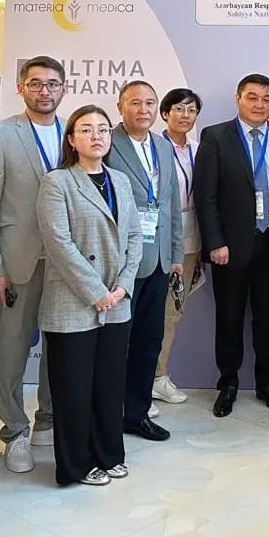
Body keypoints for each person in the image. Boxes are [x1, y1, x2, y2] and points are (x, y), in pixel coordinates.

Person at [37, 105, 142, 486]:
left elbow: (134, 236)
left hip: (117, 301)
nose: (96, 136)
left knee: (108, 386)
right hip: (74, 301)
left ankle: (108, 454)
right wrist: (96, 292)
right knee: (74, 390)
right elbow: (59, 244)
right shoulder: (57, 182)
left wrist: (122, 287)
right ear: (71, 139)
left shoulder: (120, 181)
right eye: (86, 129)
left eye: (102, 129)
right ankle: (75, 466)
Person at [0, 55, 67, 472]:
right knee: (13, 348)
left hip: (66, 262)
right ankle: (13, 429)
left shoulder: (74, 132)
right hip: (17, 260)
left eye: (52, 84)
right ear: (20, 87)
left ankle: (48, 419)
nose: (44, 91)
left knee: (60, 346)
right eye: (35, 83)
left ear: (63, 88)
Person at [194, 74, 269, 418]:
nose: (259, 104)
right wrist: (215, 242)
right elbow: (205, 196)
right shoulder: (216, 136)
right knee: (230, 317)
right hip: (229, 248)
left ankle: (267, 384)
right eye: (252, 97)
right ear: (238, 99)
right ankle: (228, 384)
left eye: (266, 99)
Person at [107, 81, 183, 442]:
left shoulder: (163, 146)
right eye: (135, 103)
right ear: (120, 106)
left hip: (159, 260)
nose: (144, 110)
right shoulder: (107, 142)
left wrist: (177, 254)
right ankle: (108, 416)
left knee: (148, 341)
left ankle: (136, 414)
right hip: (122, 263)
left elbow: (171, 203)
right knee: (115, 344)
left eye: (150, 103)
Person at [152, 87, 203, 409]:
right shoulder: (154, 148)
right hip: (158, 243)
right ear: (165, 113)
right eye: (179, 109)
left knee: (172, 313)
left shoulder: (199, 149)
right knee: (153, 314)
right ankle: (146, 378)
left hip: (191, 242)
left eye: (191, 110)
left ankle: (157, 377)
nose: (185, 115)